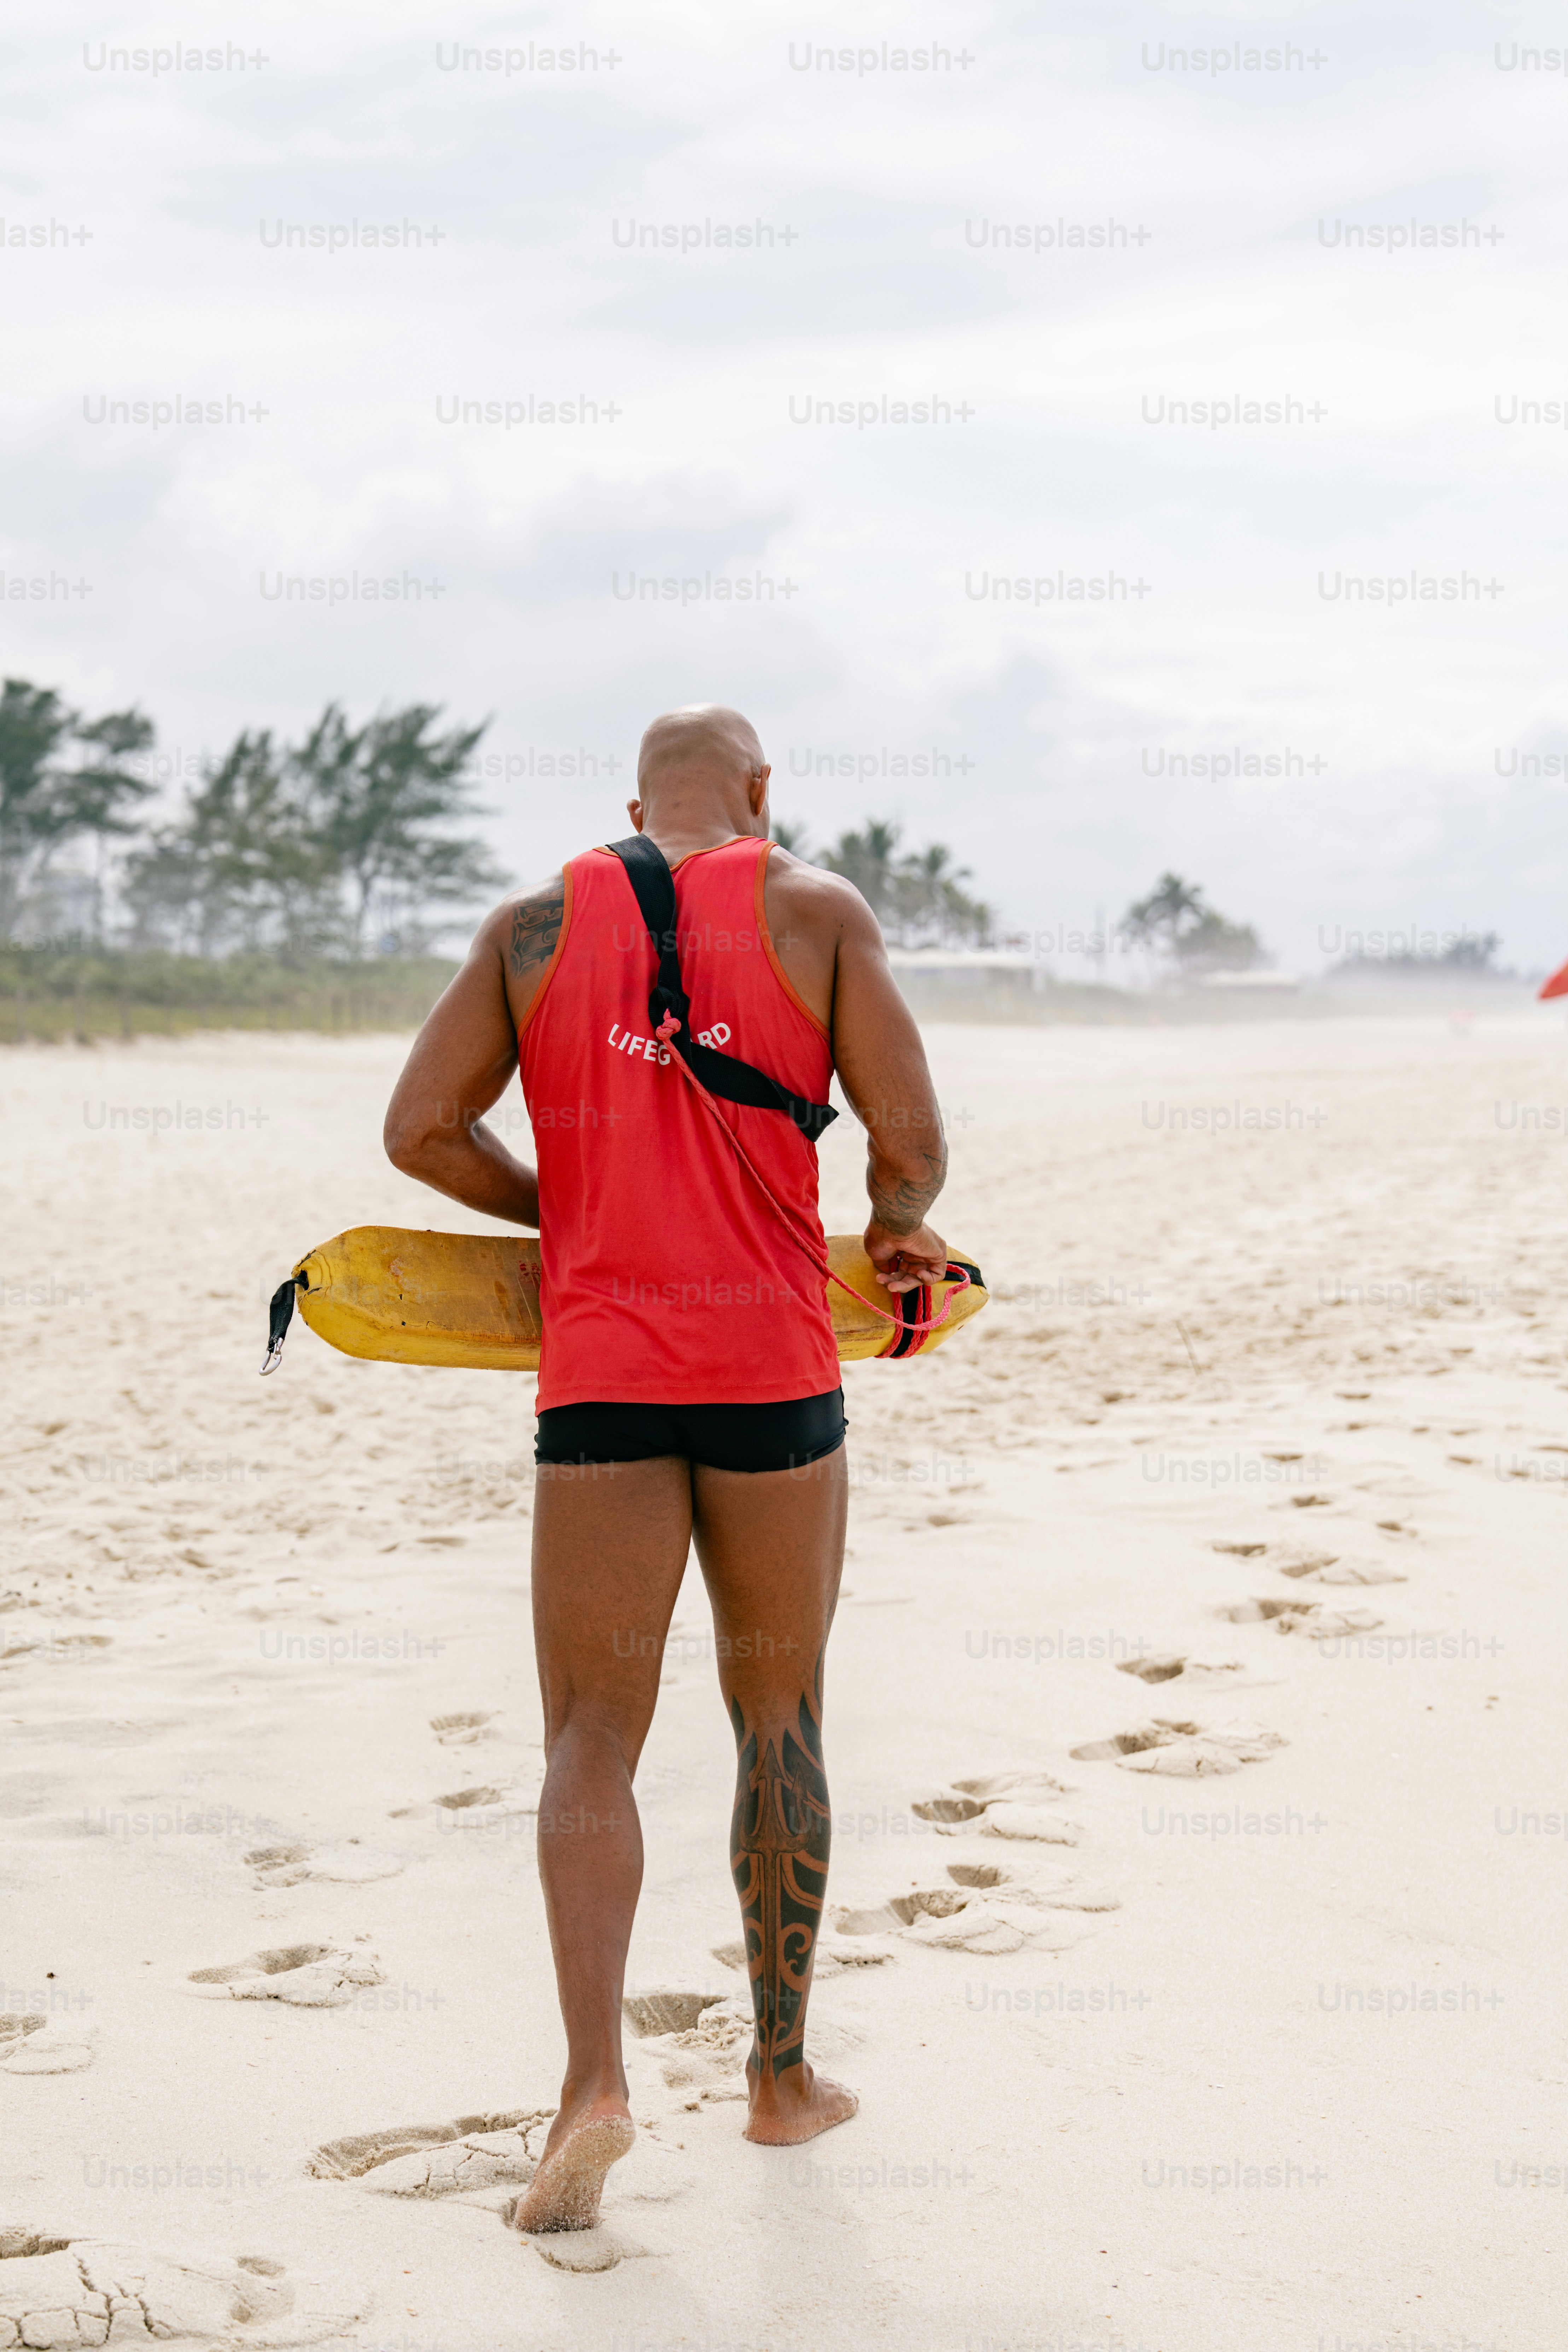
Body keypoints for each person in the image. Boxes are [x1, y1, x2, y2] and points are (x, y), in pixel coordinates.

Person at [383, 704, 949, 2230]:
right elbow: (910, 1143)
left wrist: (561, 1207)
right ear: (762, 792)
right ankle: (778, 2082)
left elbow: (419, 1131)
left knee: (587, 1733)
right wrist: (896, 1221)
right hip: (771, 1373)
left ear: (630, 804)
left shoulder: (533, 923)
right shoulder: (817, 911)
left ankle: (591, 2087)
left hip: (602, 1381)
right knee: (778, 1705)